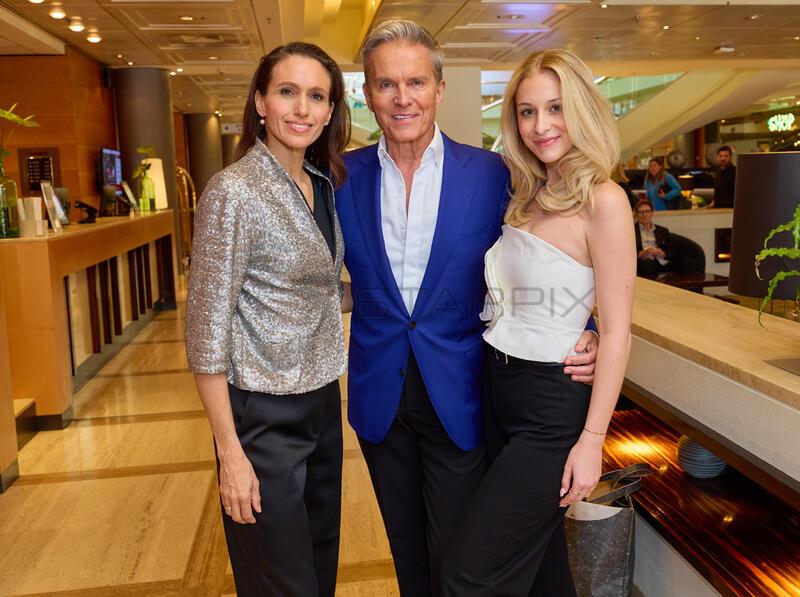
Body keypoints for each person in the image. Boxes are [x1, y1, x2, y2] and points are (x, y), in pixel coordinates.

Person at [334, 20, 600, 597]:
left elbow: (541, 256)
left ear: (439, 88)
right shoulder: (339, 178)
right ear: (367, 92)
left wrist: (590, 326)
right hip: (380, 395)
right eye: (386, 84)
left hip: (462, 392)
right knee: (407, 557)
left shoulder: (491, 174)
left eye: (416, 82)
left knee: (459, 557)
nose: (403, 98)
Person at [440, 49, 635, 596]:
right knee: (545, 573)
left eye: (555, 108)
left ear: (582, 111)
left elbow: (619, 329)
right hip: (499, 388)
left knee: (467, 575)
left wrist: (592, 439)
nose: (541, 125)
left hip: (552, 407)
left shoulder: (606, 200)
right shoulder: (525, 195)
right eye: (527, 112)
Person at [184, 42, 351, 597]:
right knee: (282, 582)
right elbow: (206, 334)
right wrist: (230, 452)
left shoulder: (321, 185)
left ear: (330, 111)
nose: (301, 109)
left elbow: (318, 289)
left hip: (324, 403)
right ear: (260, 102)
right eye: (287, 92)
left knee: (319, 567)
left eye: (316, 96)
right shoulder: (232, 192)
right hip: (261, 417)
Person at [634, 197, 698, 277]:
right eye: (641, 212)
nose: (644, 214)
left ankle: (689, 289)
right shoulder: (631, 231)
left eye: (647, 211)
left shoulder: (662, 231)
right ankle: (653, 289)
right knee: (647, 263)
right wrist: (641, 254)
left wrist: (663, 253)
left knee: (689, 262)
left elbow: (672, 252)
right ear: (636, 214)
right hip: (645, 263)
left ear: (652, 213)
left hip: (663, 261)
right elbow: (625, 253)